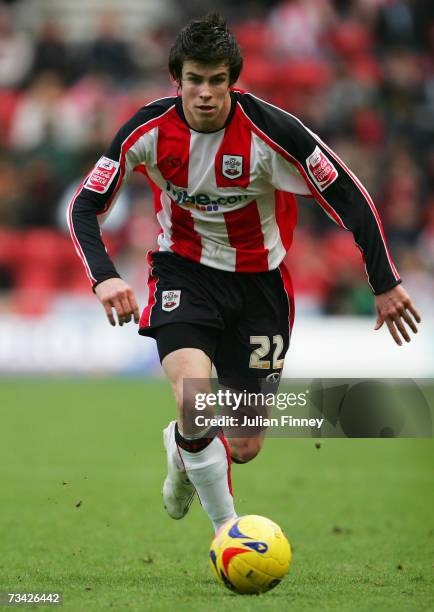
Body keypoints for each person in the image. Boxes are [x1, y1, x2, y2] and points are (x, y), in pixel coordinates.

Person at [68, 14, 421, 533]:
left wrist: (384, 281)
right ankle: (228, 532)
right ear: (177, 78)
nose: (205, 93)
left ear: (232, 80)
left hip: (261, 287)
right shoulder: (146, 129)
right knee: (197, 405)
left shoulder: (274, 132)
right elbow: (84, 206)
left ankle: (181, 446)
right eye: (194, 79)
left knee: (245, 444)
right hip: (182, 274)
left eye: (216, 80)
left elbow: (350, 195)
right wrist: (104, 276)